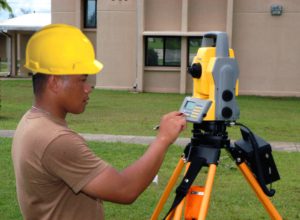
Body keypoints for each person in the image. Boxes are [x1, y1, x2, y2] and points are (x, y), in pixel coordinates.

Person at [11, 24, 186, 220]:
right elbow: (125, 189)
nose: (88, 88)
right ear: (55, 82)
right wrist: (163, 139)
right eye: (82, 79)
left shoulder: (30, 121)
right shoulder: (55, 139)